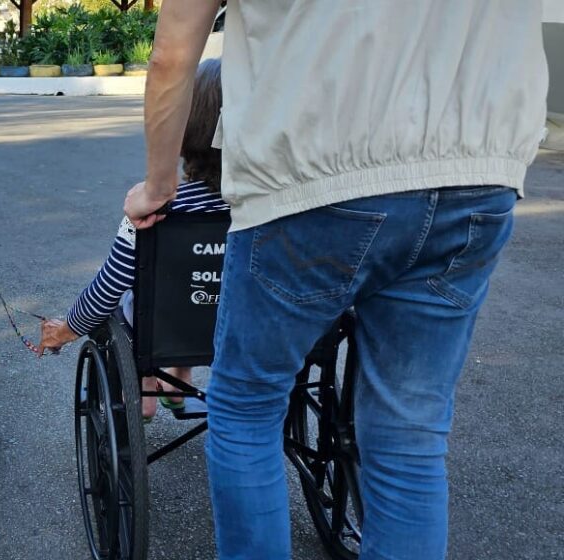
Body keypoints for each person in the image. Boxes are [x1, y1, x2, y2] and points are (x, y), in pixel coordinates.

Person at [125, 1, 548, 559]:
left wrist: (159, 185)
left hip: (318, 160)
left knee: (246, 406)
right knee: (410, 436)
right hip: (480, 165)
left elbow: (175, 49)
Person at [38, 58, 227, 421]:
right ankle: (178, 379)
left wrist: (65, 330)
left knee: (134, 298)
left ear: (183, 129)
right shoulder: (278, 209)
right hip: (252, 329)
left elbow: (107, 286)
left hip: (170, 329)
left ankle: (146, 389)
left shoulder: (156, 208)